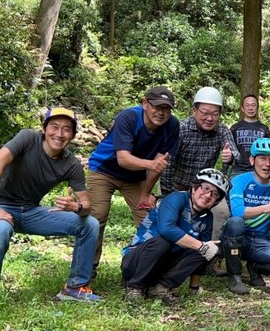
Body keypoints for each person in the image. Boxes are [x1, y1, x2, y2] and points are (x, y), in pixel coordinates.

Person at [0, 107, 100, 309]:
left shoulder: (71, 164)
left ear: (73, 135)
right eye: (54, 127)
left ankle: (75, 287)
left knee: (90, 224)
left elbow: (86, 205)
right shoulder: (27, 139)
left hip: (31, 212)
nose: (59, 134)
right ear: (44, 128)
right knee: (0, 230)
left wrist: (75, 206)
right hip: (1, 206)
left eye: (66, 129)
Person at [87, 86, 180, 272]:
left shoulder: (172, 125)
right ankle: (87, 269)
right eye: (156, 107)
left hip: (136, 177)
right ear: (145, 104)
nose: (161, 113)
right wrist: (150, 165)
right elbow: (123, 159)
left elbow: (159, 164)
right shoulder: (128, 117)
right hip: (103, 170)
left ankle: (145, 269)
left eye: (166, 109)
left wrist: (146, 194)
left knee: (149, 220)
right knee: (96, 218)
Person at [160, 86, 239, 274]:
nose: (209, 118)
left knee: (221, 213)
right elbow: (167, 164)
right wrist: (166, 193)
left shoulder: (221, 131)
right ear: (194, 110)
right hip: (179, 186)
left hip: (207, 190)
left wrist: (230, 156)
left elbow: (234, 152)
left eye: (215, 114)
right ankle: (169, 260)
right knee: (170, 219)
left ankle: (210, 259)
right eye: (204, 112)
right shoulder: (181, 129)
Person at [121, 168, 228, 301]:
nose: (208, 195)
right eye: (205, 188)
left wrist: (194, 287)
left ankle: (160, 287)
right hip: (136, 261)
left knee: (206, 250)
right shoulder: (176, 198)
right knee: (163, 241)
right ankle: (134, 287)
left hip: (163, 263)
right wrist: (201, 246)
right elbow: (167, 229)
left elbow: (204, 251)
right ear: (194, 188)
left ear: (216, 202)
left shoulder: (207, 217)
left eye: (214, 194)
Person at [221, 138, 270, 294]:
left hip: (260, 240)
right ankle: (235, 277)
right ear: (252, 160)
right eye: (262, 158)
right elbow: (238, 212)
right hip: (237, 237)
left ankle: (254, 266)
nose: (267, 164)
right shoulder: (239, 180)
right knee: (235, 223)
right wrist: (268, 208)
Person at [230, 94, 270, 177]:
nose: (250, 108)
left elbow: (269, 152)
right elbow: (230, 151)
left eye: (253, 105)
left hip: (258, 170)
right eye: (247, 105)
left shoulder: (264, 129)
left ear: (257, 108)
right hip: (238, 170)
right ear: (242, 108)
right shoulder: (235, 128)